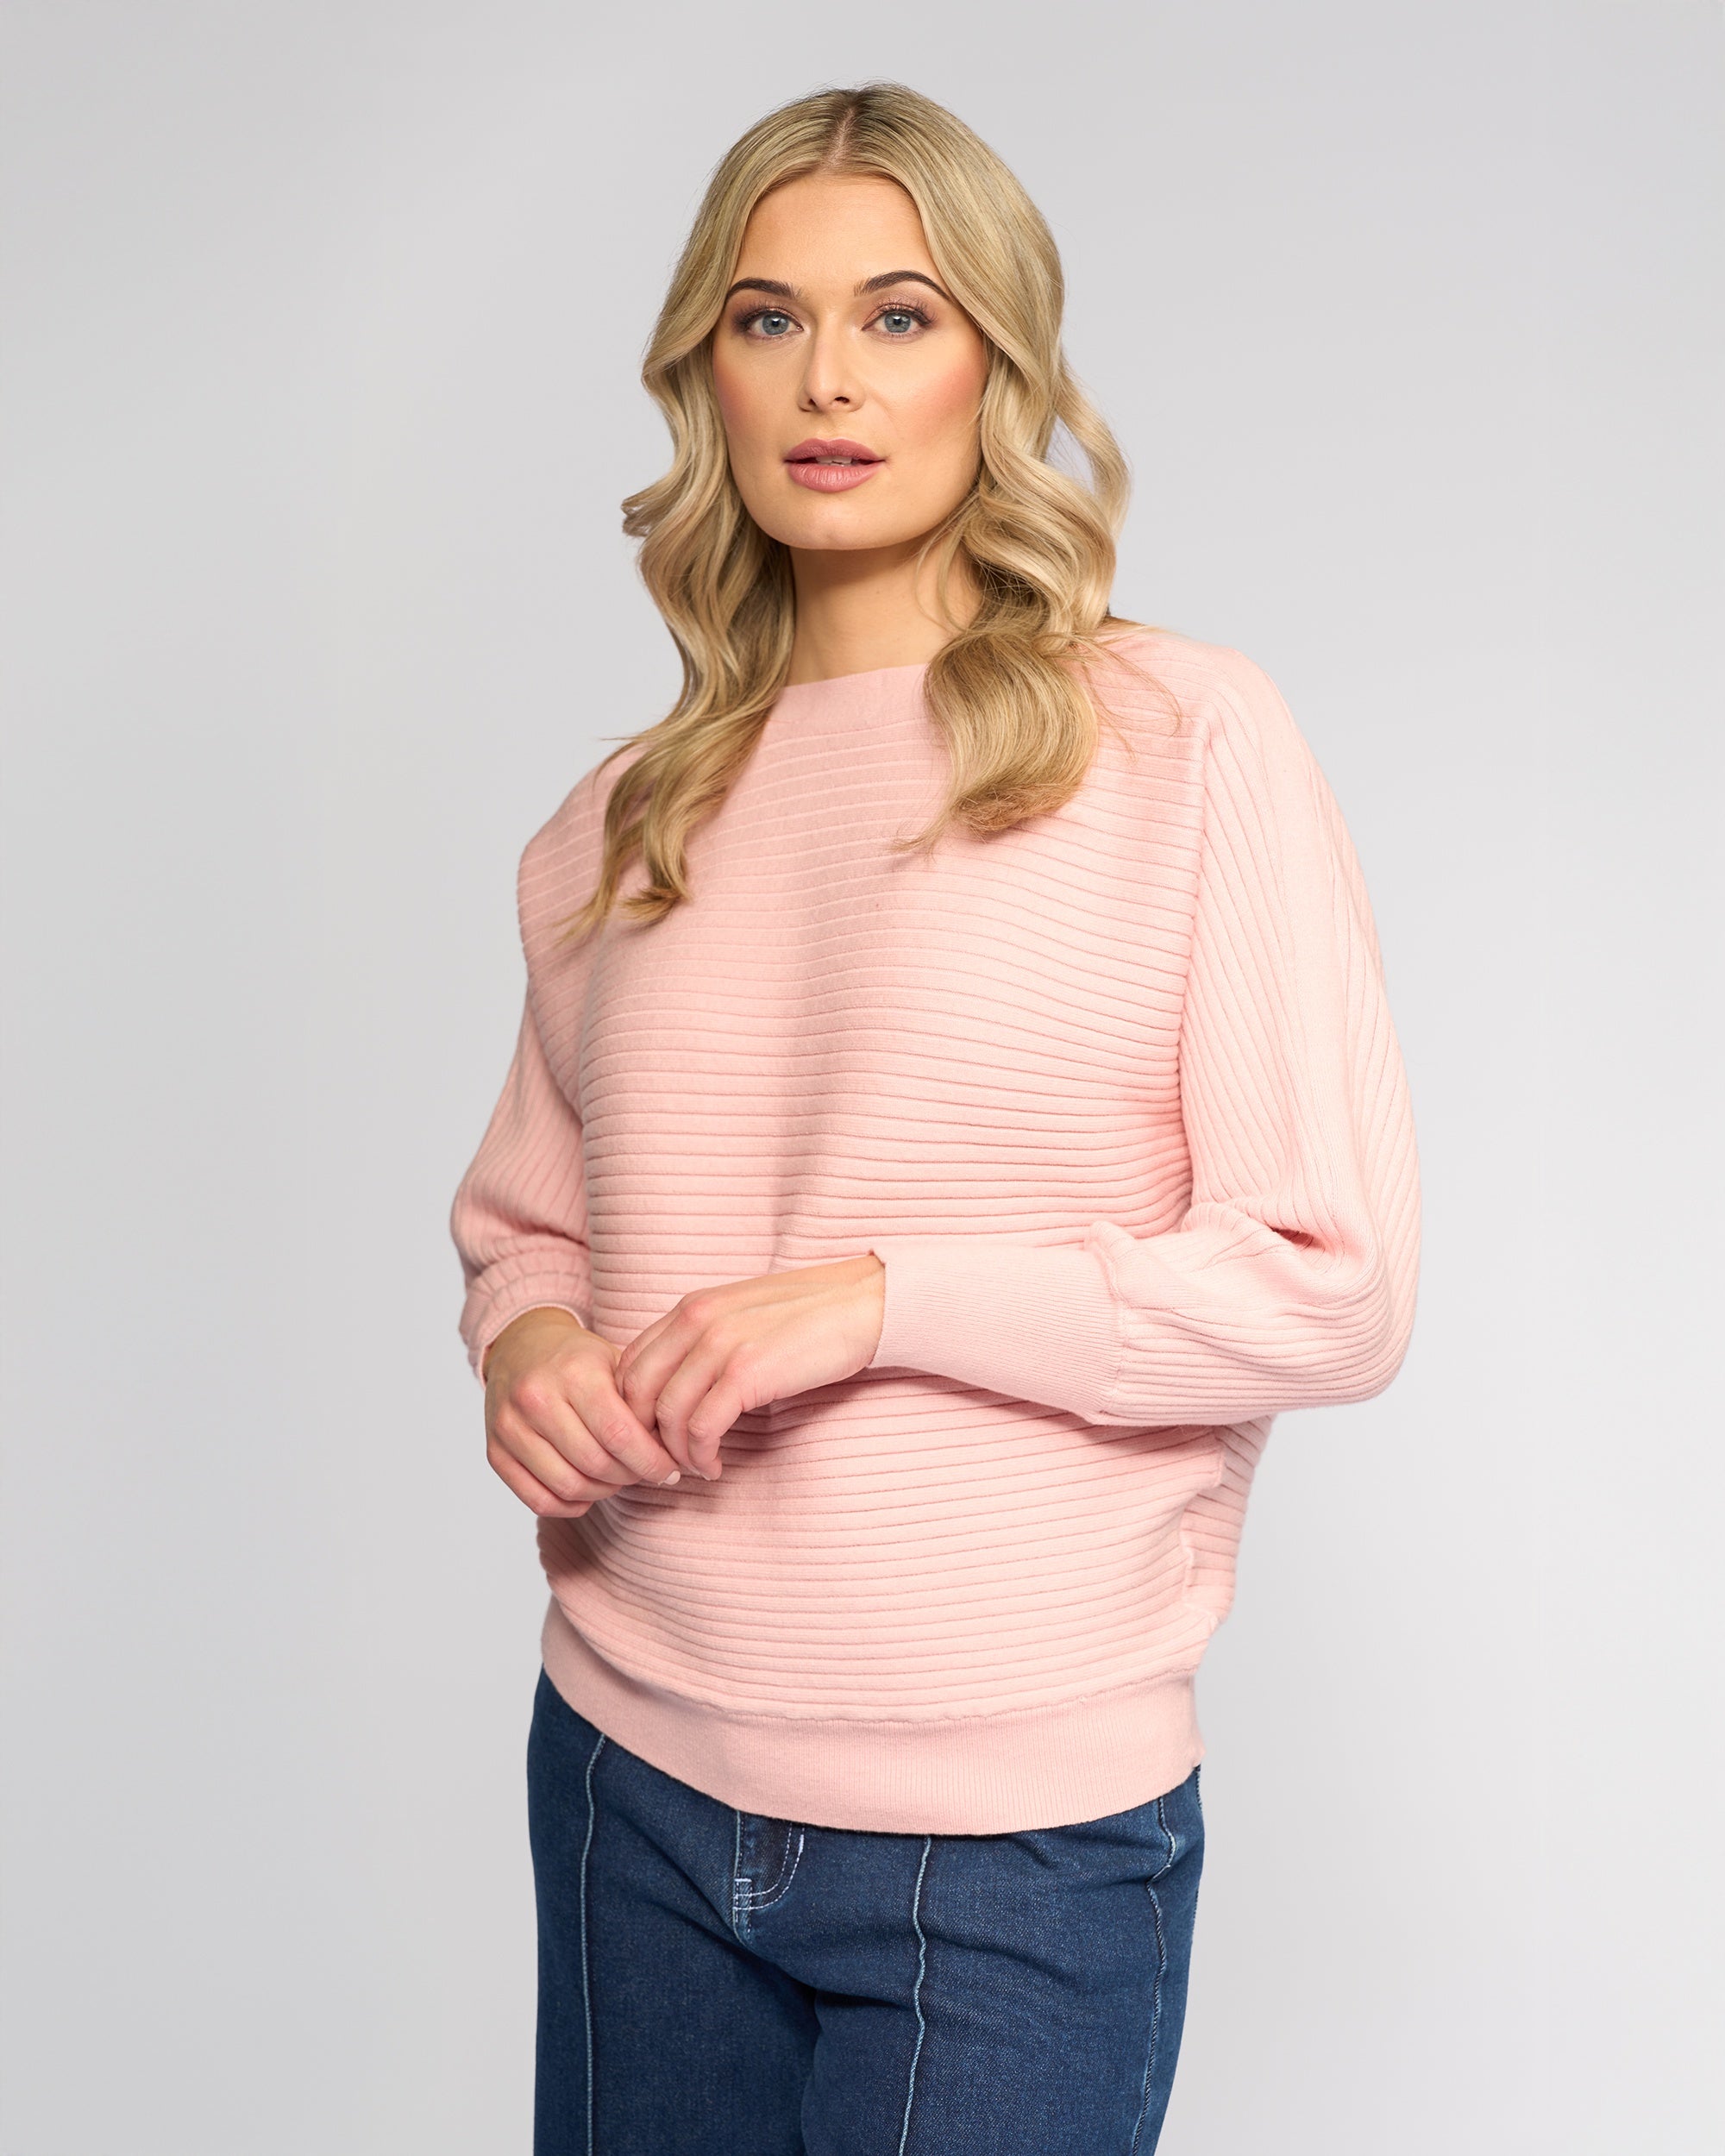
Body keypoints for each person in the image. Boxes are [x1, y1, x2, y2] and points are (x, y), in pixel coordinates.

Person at [448, 79, 1420, 2156]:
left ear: (998, 358)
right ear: (705, 372)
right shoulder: (617, 819)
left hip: (1006, 1841)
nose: (827, 377)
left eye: (898, 315)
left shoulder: (1177, 738)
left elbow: (1329, 1285)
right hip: (622, 1767)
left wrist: (876, 1299)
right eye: (765, 317)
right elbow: (528, 1222)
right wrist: (526, 1347)